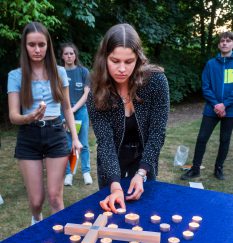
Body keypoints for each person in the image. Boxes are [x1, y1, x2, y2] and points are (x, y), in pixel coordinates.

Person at [87, 23, 169, 213]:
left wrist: (141, 173)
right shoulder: (96, 90)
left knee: (145, 211)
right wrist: (115, 185)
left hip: (144, 157)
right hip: (111, 158)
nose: (122, 69)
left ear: (138, 59)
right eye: (115, 61)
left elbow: (157, 132)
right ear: (104, 58)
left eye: (129, 61)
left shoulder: (156, 82)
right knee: (112, 212)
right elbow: (105, 141)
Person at [7, 22, 82, 225]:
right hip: (28, 136)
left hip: (56, 133)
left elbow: (66, 107)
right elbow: (13, 116)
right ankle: (36, 221)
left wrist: (74, 138)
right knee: (36, 201)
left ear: (48, 45)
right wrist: (29, 117)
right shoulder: (15, 76)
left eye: (41, 44)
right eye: (32, 45)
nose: (37, 49)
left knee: (56, 197)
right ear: (25, 46)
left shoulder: (59, 72)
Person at [181, 31, 233, 181]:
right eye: (222, 41)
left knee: (225, 140)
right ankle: (195, 169)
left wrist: (225, 105)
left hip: (230, 110)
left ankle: (218, 169)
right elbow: (206, 87)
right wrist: (217, 104)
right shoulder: (211, 64)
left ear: (232, 44)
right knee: (202, 138)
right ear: (218, 45)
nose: (225, 43)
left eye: (228, 41)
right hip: (211, 108)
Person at [60, 43, 93, 186]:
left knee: (83, 143)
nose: (69, 56)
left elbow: (86, 94)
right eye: (66, 53)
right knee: (68, 144)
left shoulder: (84, 71)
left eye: (71, 53)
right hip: (64, 113)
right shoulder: (59, 72)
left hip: (80, 112)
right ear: (62, 56)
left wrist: (72, 111)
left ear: (75, 55)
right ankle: (69, 173)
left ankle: (86, 172)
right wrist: (66, 113)